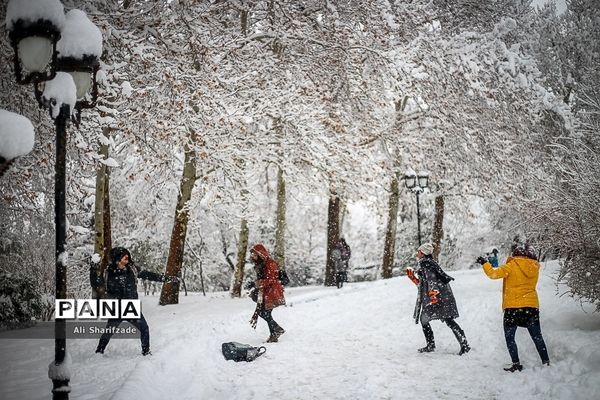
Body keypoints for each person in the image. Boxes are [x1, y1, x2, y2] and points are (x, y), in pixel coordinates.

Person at [90, 247, 177, 356]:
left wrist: (166, 279)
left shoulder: (132, 269)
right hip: (117, 309)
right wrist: (93, 269)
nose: (127, 256)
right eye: (123, 255)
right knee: (109, 332)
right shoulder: (108, 273)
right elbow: (96, 283)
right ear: (117, 258)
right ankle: (99, 351)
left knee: (144, 328)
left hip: (131, 308)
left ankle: (146, 352)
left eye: (127, 254)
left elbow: (149, 275)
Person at [477, 244, 550, 372]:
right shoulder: (534, 267)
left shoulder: (511, 266)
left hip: (513, 307)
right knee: (537, 336)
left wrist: (484, 263)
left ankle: (516, 364)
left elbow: (493, 274)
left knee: (510, 337)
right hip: (531, 306)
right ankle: (546, 361)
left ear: (515, 255)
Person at [407, 243, 470, 355]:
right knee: (426, 319)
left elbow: (431, 280)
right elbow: (423, 284)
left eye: (418, 251)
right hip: (439, 295)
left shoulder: (426, 263)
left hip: (439, 296)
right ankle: (432, 345)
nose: (417, 253)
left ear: (423, 253)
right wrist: (413, 278)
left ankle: (464, 345)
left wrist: (433, 294)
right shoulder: (429, 263)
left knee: (446, 319)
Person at [248, 243, 286, 342]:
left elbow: (272, 279)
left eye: (255, 254)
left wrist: (257, 283)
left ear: (260, 254)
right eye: (252, 254)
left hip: (272, 291)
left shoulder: (270, 263)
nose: (252, 256)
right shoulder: (260, 264)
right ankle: (274, 333)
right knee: (265, 312)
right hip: (266, 291)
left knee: (264, 312)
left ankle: (276, 330)